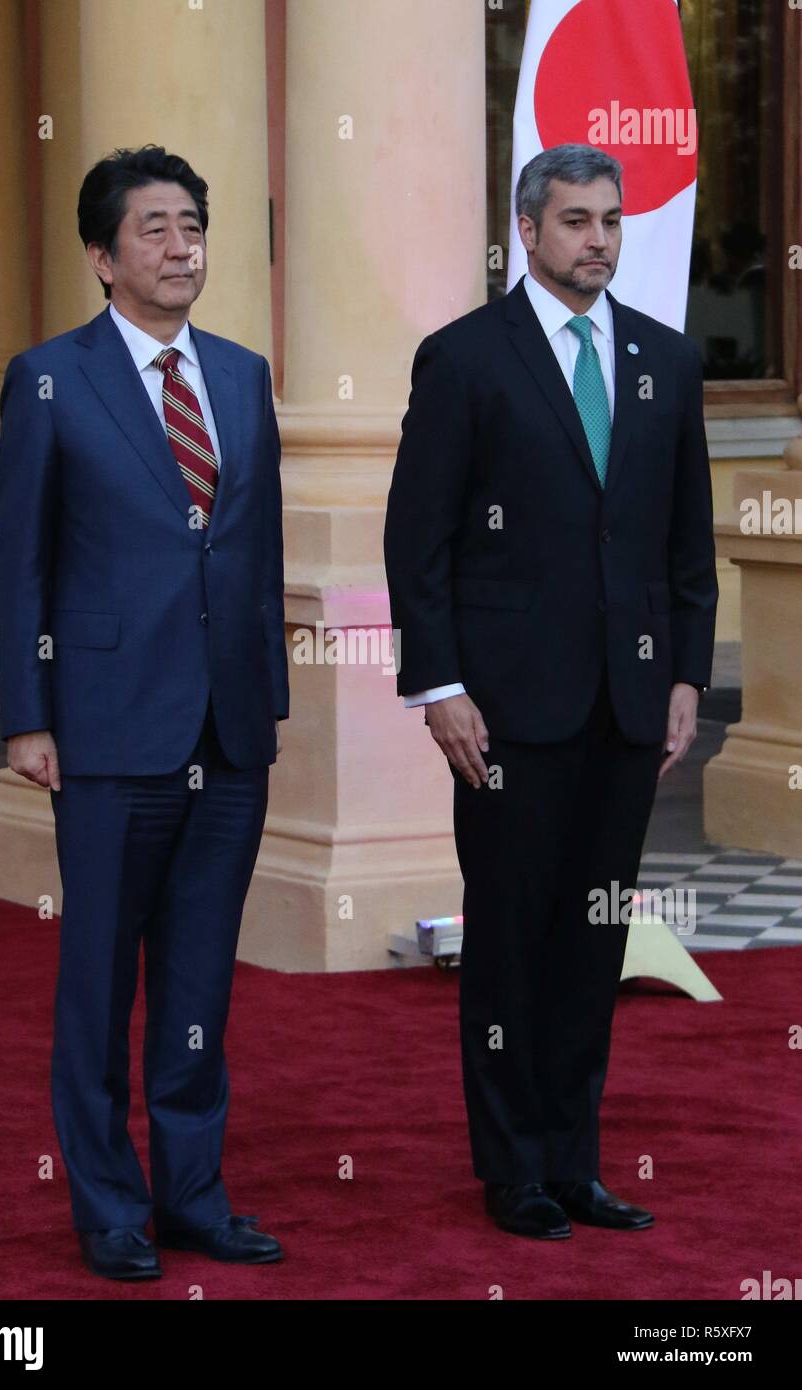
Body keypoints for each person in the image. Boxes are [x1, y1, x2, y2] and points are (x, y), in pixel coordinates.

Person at [384, 144, 717, 1240]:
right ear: (526, 232)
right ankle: (512, 1167)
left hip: (628, 709)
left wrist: (683, 675)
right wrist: (437, 685)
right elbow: (417, 540)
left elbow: (685, 544)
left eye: (611, 220)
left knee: (591, 941)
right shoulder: (465, 359)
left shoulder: (666, 361)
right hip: (505, 713)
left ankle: (574, 1161)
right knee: (513, 941)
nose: (598, 240)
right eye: (575, 221)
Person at [0, 145, 288, 1278]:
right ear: (101, 256)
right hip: (109, 725)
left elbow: (248, 556)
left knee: (202, 978)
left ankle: (193, 1194)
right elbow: (26, 562)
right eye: (154, 229)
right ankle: (107, 1207)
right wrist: (30, 712)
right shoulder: (51, 377)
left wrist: (267, 692)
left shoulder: (244, 372)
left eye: (193, 227)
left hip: (229, 729)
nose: (180, 247)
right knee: (99, 978)